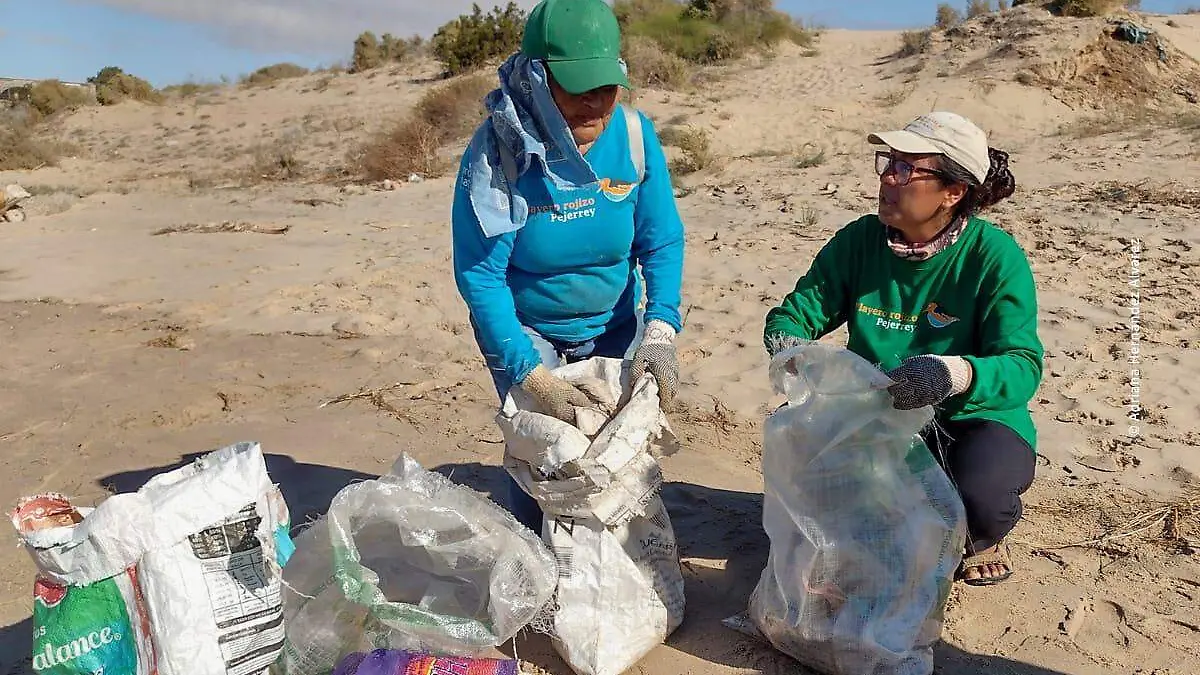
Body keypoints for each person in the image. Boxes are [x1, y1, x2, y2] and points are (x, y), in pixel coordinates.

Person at [763, 111, 1044, 586]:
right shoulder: (859, 241)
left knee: (982, 499)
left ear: (953, 192)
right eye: (888, 163)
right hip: (880, 418)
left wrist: (951, 374)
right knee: (820, 503)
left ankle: (980, 539)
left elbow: (1022, 367)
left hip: (969, 419)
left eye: (907, 169)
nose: (888, 179)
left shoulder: (994, 257)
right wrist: (789, 347)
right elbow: (797, 313)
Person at [451, 0, 686, 533]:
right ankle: (541, 575)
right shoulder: (498, 154)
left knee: (616, 462)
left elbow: (662, 240)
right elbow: (481, 277)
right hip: (527, 331)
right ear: (536, 80)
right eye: (577, 90)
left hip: (615, 326)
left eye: (606, 88)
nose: (595, 106)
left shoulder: (632, 136)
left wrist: (660, 329)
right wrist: (528, 373)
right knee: (545, 461)